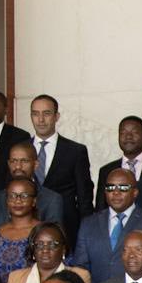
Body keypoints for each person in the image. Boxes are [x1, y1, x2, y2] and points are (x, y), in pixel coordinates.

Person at [73, 167, 142, 283]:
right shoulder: (88, 224)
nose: (116, 193)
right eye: (110, 187)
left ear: (135, 192)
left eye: (123, 188)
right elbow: (80, 267)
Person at [28, 93, 96, 234]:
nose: (41, 119)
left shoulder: (75, 151)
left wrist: (87, 232)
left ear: (56, 116)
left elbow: (84, 197)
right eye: (35, 114)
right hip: (27, 227)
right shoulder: (20, 150)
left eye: (46, 113)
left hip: (66, 228)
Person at [0, 143, 69, 233]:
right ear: (8, 164)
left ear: (36, 164)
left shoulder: (52, 199)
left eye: (24, 161)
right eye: (14, 161)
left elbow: (53, 236)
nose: (18, 166)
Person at [0, 175, 45, 276]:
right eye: (12, 196)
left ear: (34, 201)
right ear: (6, 200)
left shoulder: (45, 232)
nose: (18, 200)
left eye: (24, 196)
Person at [95, 114, 142, 192]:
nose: (128, 137)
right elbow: (102, 200)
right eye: (123, 133)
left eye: (134, 132)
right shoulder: (106, 171)